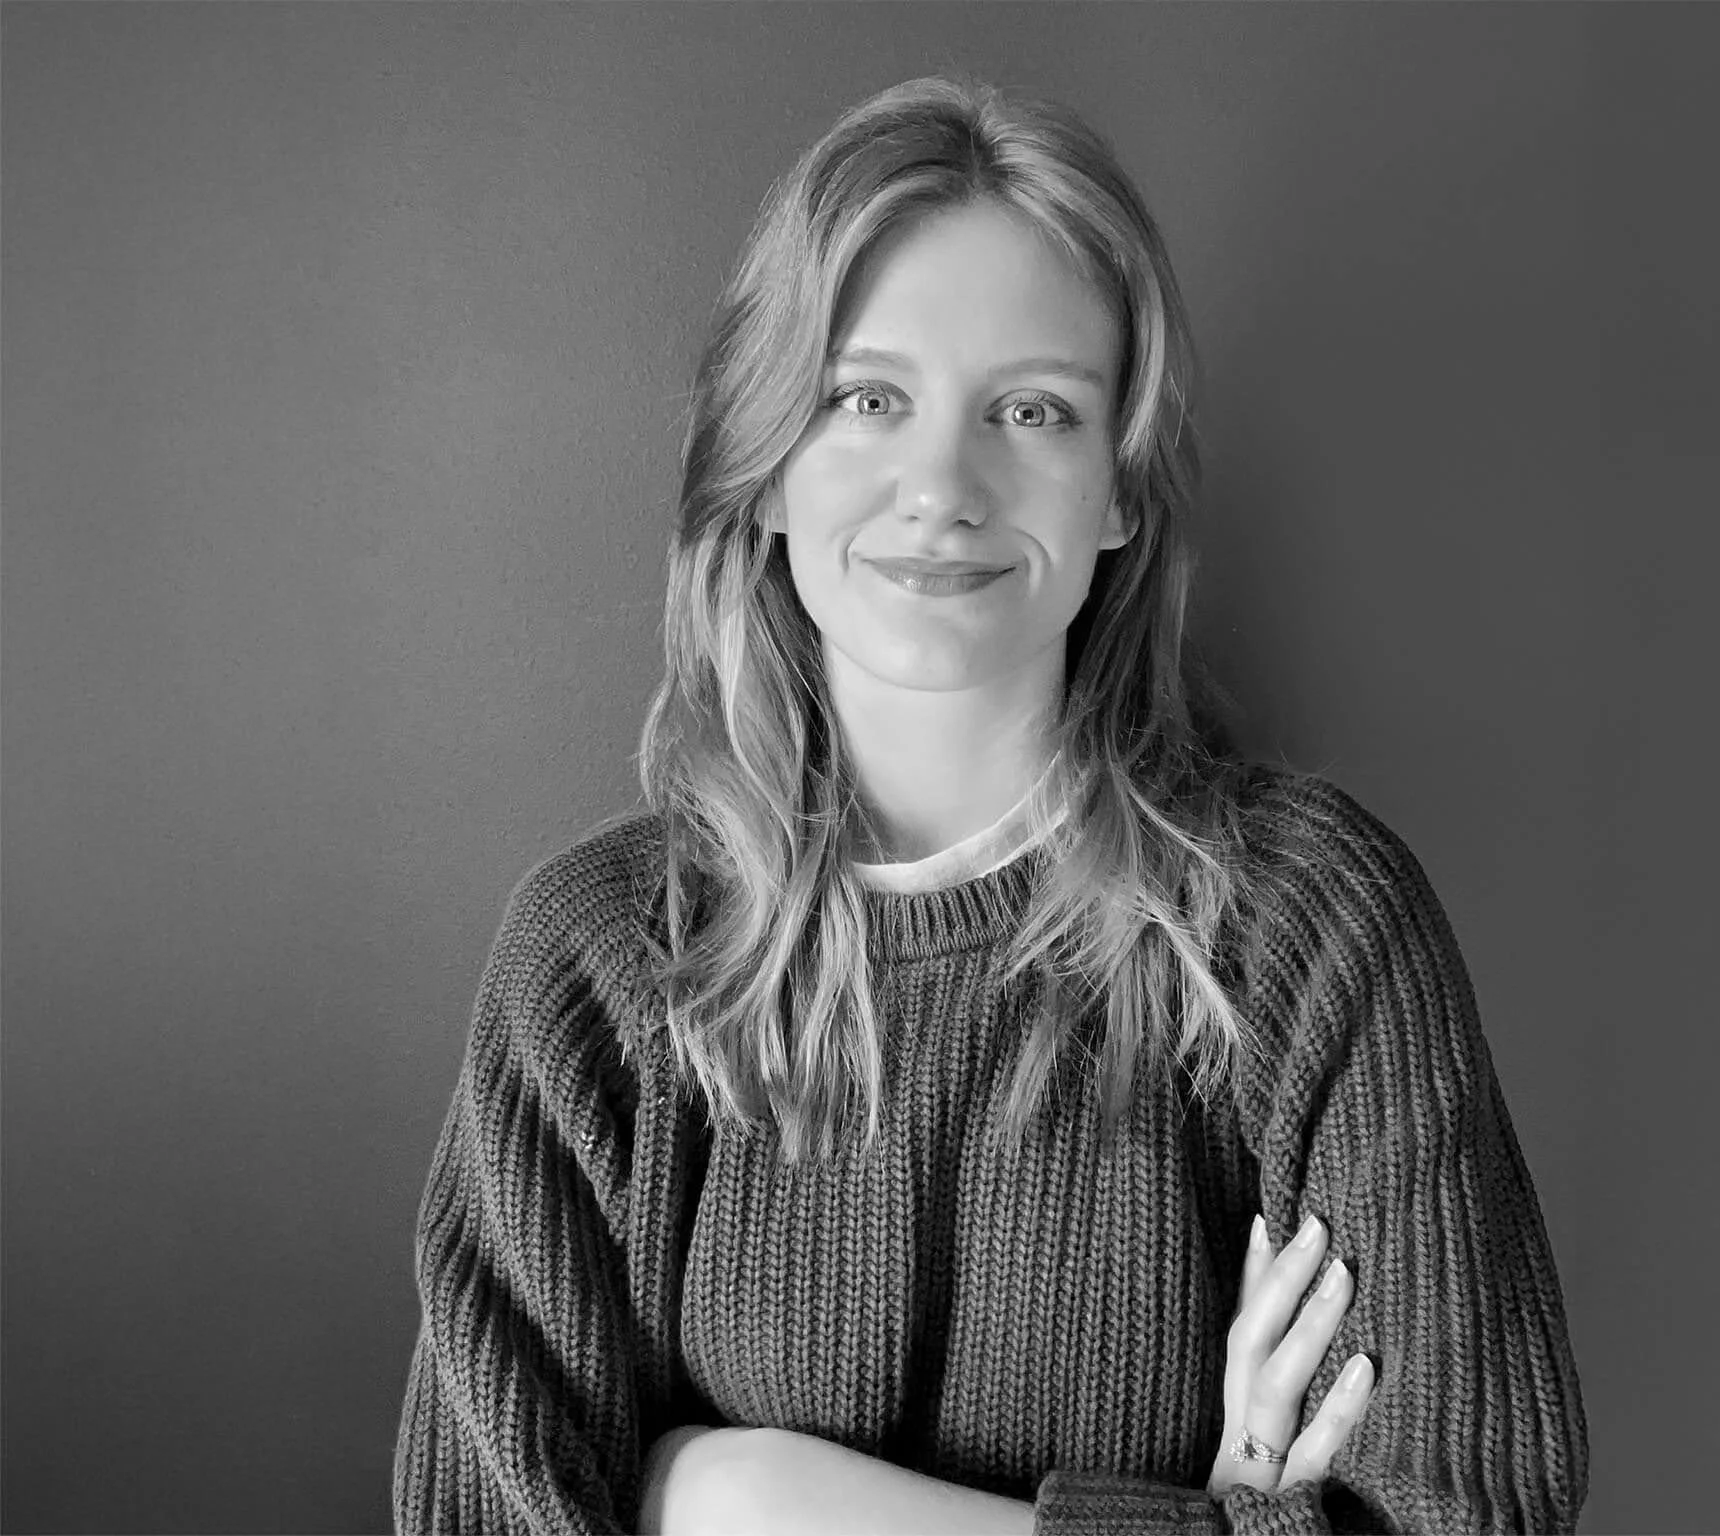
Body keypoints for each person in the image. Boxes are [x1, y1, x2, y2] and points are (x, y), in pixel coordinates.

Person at [391, 73, 1589, 1535]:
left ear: (1120, 493)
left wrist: (733, 1497)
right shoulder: (594, 968)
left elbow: (1470, 1513)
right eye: (866, 398)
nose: (941, 485)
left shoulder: (1309, 935)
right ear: (766, 463)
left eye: (1032, 410)